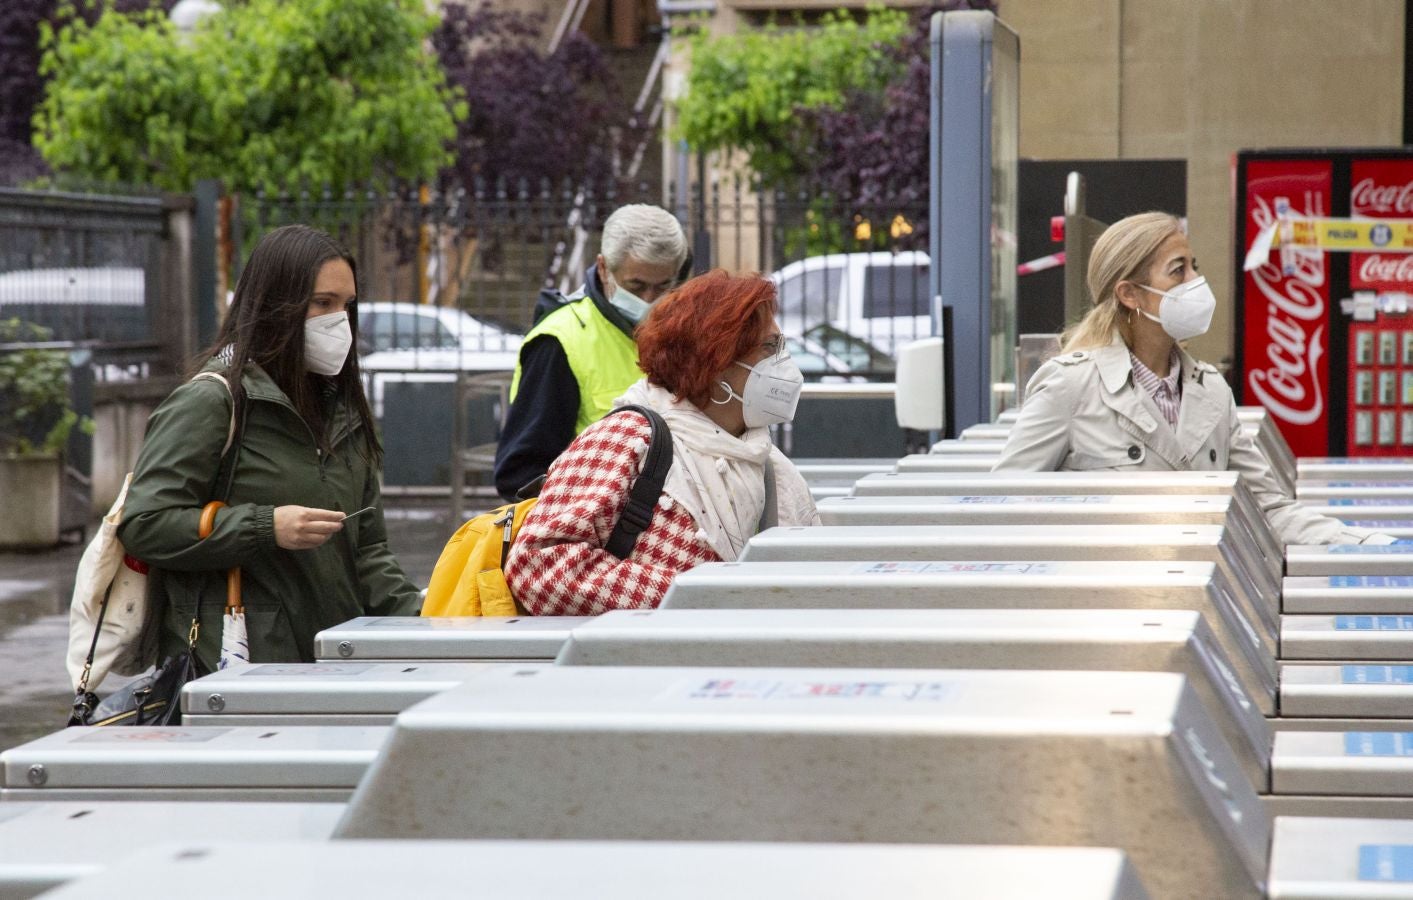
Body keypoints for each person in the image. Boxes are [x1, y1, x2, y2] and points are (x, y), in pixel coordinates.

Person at [118, 224, 421, 670]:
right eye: (322, 303)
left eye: (346, 306)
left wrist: (423, 622)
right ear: (276, 304)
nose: (338, 320)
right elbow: (145, 523)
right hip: (233, 669)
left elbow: (368, 550)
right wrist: (265, 527)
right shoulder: (212, 402)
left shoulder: (344, 412)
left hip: (334, 663)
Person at [994, 211, 1393, 546]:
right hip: (1100, 606)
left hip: (1192, 607)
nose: (1195, 283)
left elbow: (1268, 509)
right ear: (1130, 294)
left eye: (1194, 267)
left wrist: (1361, 542)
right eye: (1177, 270)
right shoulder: (1072, 386)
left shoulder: (1212, 391)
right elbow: (1005, 505)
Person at [505, 270, 821, 615]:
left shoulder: (762, 458)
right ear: (717, 363)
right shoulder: (626, 438)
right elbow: (538, 568)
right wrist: (697, 597)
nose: (784, 363)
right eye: (769, 347)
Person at [493, 203, 689, 500]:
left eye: (664, 286)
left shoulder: (685, 332)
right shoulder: (561, 341)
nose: (650, 300)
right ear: (603, 268)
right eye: (636, 286)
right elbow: (521, 475)